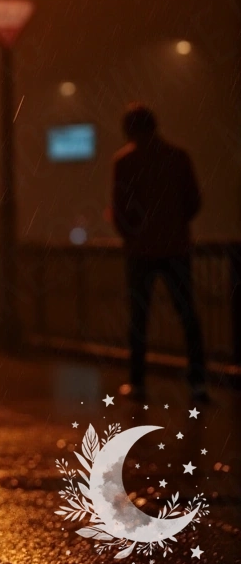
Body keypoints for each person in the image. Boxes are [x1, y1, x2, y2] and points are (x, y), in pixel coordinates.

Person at [111, 103, 208, 403]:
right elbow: (193, 201)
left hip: (140, 251)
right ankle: (197, 383)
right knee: (187, 314)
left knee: (139, 317)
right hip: (176, 247)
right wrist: (173, 224)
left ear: (130, 130)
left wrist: (133, 234)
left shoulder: (125, 162)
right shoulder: (178, 157)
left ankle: (137, 382)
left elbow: (120, 209)